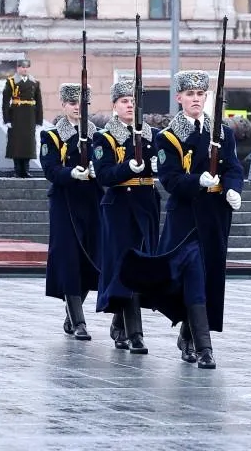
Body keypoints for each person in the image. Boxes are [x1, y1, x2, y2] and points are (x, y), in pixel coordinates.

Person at [119, 70, 244, 370]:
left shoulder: (222, 132)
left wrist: (233, 189)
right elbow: (170, 179)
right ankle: (205, 348)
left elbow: (233, 167)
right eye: (190, 94)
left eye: (200, 94)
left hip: (215, 215)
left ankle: (188, 336)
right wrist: (196, 181)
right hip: (186, 218)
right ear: (179, 98)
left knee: (208, 277)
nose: (196, 99)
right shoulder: (169, 137)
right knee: (192, 275)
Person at [90, 79, 160, 354]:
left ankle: (120, 322)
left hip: (147, 203)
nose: (130, 105)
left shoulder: (153, 135)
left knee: (143, 267)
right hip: (120, 205)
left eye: (133, 101)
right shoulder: (105, 138)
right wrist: (128, 167)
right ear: (115, 106)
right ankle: (135, 333)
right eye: (124, 101)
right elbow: (104, 176)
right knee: (125, 265)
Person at [39, 83, 101, 340]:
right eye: (73, 103)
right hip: (65, 202)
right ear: (64, 105)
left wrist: (99, 171)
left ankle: (71, 314)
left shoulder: (98, 136)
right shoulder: (52, 136)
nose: (78, 108)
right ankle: (79, 321)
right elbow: (50, 168)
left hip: (93, 201)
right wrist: (70, 173)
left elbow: (106, 164)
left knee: (91, 259)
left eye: (83, 103)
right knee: (69, 259)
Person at [3, 59, 43, 178]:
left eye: (26, 67)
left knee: (28, 143)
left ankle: (26, 169)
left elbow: (39, 102)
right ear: (18, 68)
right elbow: (5, 102)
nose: (25, 69)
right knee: (16, 143)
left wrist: (39, 120)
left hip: (30, 116)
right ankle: (17, 170)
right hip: (16, 115)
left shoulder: (35, 83)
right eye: (22, 67)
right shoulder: (11, 82)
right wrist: (7, 119)